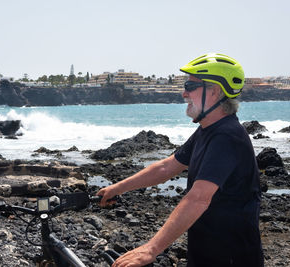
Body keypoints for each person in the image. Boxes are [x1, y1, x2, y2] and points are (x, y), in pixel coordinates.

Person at [97, 53, 264, 267]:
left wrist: (151, 249)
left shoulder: (227, 136)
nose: (184, 93)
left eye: (190, 86)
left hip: (232, 257)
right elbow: (167, 167)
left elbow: (199, 198)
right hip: (206, 252)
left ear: (215, 91)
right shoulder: (208, 130)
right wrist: (117, 188)